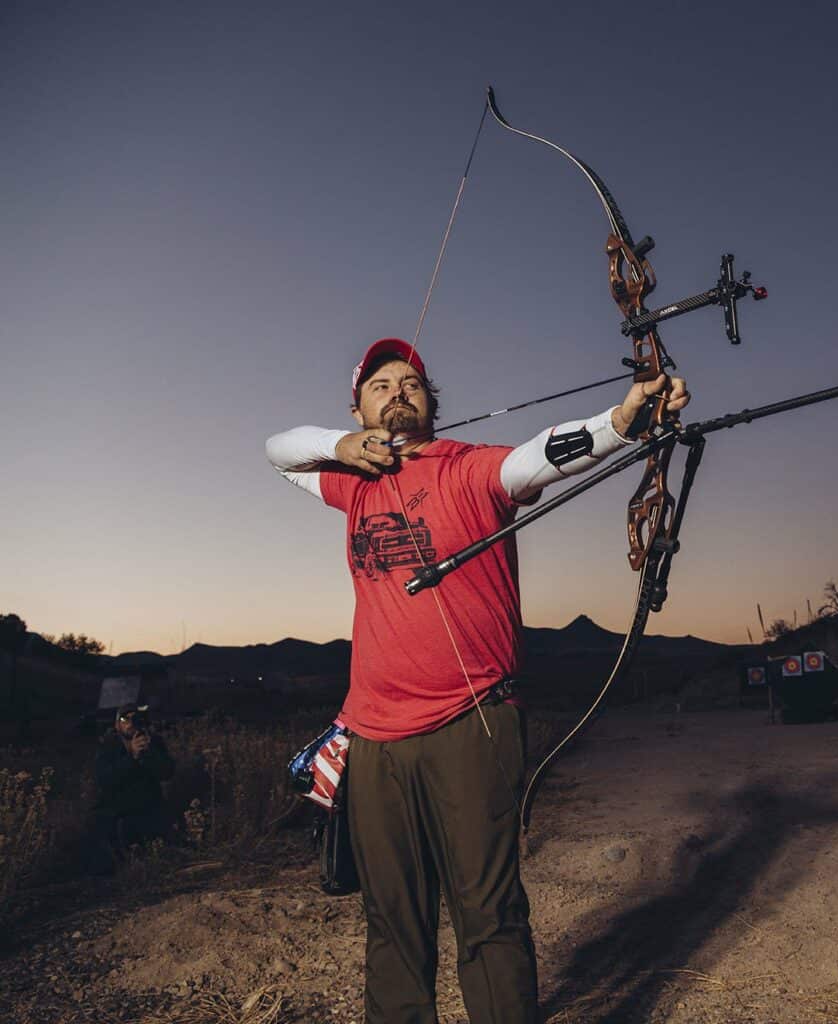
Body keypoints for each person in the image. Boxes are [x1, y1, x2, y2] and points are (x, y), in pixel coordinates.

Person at [265, 338, 689, 1024]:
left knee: (487, 917)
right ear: (357, 408)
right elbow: (278, 451)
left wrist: (621, 421)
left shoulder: (471, 470)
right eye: (381, 384)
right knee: (392, 920)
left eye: (412, 382)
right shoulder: (351, 483)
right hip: (371, 738)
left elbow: (540, 456)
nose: (398, 390)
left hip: (470, 721)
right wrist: (340, 445)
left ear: (433, 403)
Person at [88, 703, 176, 874]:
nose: (129, 722)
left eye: (134, 718)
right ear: (116, 725)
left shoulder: (153, 742)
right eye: (123, 719)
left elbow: (167, 773)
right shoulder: (108, 746)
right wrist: (132, 757)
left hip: (149, 807)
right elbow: (105, 779)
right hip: (119, 810)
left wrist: (149, 754)